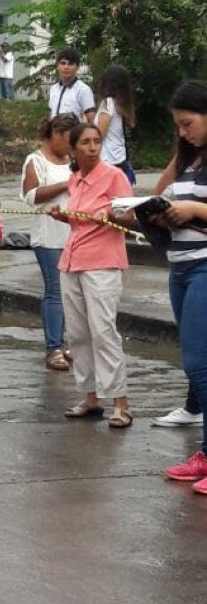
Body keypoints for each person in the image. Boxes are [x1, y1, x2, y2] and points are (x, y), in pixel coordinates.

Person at [48, 124, 133, 427]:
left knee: (103, 331)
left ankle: (120, 403)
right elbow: (79, 222)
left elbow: (129, 215)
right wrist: (63, 215)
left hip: (103, 263)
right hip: (73, 260)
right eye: (85, 142)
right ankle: (90, 396)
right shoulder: (75, 179)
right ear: (74, 148)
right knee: (79, 334)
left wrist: (110, 214)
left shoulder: (114, 175)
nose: (93, 147)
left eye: (97, 141)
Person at [155, 81, 207, 493]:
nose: (182, 132)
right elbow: (156, 195)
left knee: (199, 363)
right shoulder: (187, 158)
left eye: (188, 123)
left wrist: (194, 210)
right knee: (195, 361)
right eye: (177, 125)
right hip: (180, 267)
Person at [22, 114, 82, 371]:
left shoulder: (74, 160)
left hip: (76, 233)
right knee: (55, 290)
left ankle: (70, 343)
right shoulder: (36, 160)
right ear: (55, 134)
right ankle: (53, 347)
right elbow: (31, 196)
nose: (71, 147)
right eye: (69, 140)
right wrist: (64, 184)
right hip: (49, 236)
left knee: (74, 292)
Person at [95, 64, 137, 185]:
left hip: (107, 160)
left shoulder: (108, 103)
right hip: (120, 158)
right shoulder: (121, 105)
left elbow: (99, 134)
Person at [48, 47, 96, 123]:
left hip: (74, 133)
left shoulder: (83, 90)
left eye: (70, 64)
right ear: (57, 66)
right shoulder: (53, 89)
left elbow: (91, 119)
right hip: (55, 133)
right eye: (63, 63)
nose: (66, 67)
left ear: (77, 67)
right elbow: (51, 116)